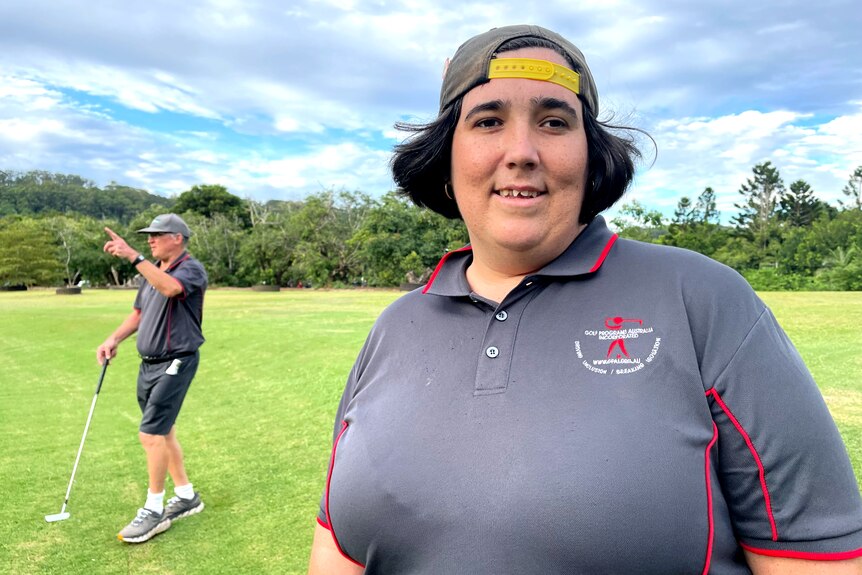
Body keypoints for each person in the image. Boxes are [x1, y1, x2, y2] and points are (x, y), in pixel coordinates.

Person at [307, 24, 862, 574]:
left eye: (553, 122)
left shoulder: (703, 299)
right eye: (488, 121)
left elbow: (818, 559)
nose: (521, 151)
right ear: (446, 158)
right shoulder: (395, 326)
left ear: (591, 157)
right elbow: (337, 548)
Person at [98, 213, 207, 543]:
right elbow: (139, 314)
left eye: (157, 234)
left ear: (177, 237)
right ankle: (187, 496)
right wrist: (113, 339)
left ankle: (154, 510)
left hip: (177, 360)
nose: (150, 239)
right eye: (148, 236)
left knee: (150, 434)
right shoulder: (151, 272)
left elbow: (171, 289)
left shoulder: (190, 269)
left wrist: (134, 256)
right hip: (149, 364)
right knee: (164, 429)